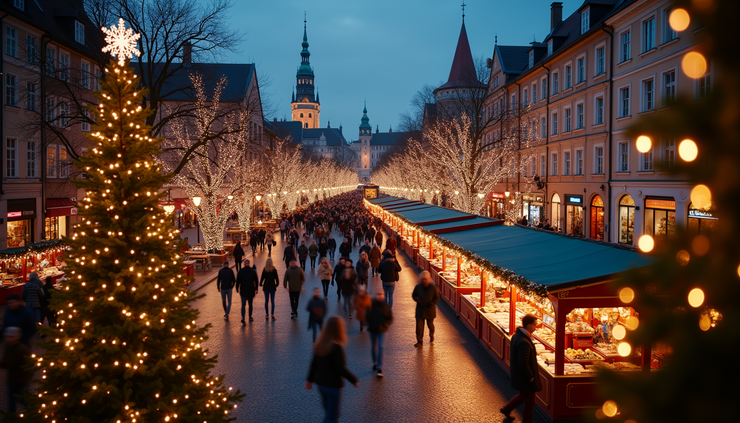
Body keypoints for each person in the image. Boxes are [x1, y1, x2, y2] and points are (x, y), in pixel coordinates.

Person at [305, 316, 359, 423]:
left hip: (321, 385)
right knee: (333, 416)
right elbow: (341, 369)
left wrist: (309, 380)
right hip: (333, 386)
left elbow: (313, 364)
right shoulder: (337, 347)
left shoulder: (320, 343)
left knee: (329, 414)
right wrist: (353, 379)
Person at [500, 314, 542, 423]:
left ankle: (506, 409)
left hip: (519, 376)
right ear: (528, 325)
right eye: (534, 325)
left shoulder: (517, 335)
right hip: (525, 378)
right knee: (530, 402)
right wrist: (530, 376)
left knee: (523, 396)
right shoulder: (524, 342)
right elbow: (523, 362)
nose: (535, 327)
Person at [0, 327, 32, 413]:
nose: (8, 338)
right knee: (11, 401)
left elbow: (29, 364)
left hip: (20, 379)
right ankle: (11, 418)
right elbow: (5, 361)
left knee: (22, 399)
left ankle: (32, 411)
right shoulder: (8, 347)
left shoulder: (22, 349)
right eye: (7, 336)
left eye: (11, 336)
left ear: (17, 337)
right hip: (11, 379)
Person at [366, 290, 393, 377]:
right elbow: (367, 316)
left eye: (381, 294)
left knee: (381, 347)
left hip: (383, 329)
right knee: (374, 347)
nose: (380, 296)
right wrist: (368, 323)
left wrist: (386, 323)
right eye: (378, 294)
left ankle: (379, 367)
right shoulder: (371, 305)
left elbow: (390, 317)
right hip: (373, 329)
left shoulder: (385, 306)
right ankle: (375, 362)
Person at [412, 270, 440, 348]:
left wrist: (432, 303)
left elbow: (437, 297)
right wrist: (417, 299)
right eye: (423, 279)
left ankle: (431, 334)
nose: (425, 281)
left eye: (426, 279)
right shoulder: (418, 287)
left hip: (430, 310)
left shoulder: (433, 287)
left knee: (430, 324)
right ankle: (419, 341)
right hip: (420, 310)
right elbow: (414, 295)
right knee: (419, 327)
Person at [236, 259, 259, 324]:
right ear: (249, 263)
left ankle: (243, 317)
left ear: (244, 264)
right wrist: (256, 289)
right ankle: (249, 316)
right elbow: (256, 280)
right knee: (250, 304)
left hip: (243, 290)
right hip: (250, 290)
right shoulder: (253, 271)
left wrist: (237, 288)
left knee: (243, 305)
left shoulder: (241, 271)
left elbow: (238, 281)